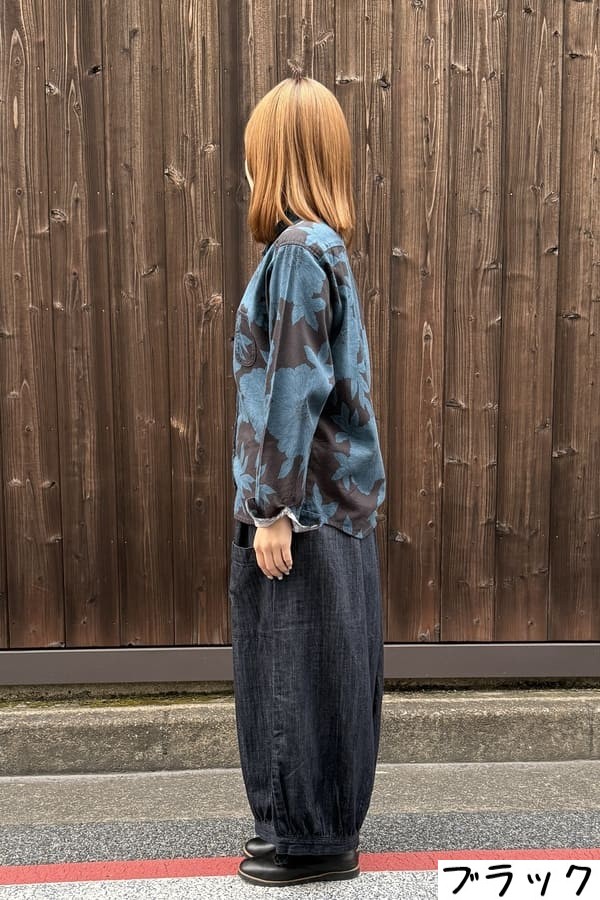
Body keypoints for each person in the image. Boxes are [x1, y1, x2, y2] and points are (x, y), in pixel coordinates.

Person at [229, 72, 386, 887]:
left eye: (255, 153)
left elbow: (294, 388)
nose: (247, 168)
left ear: (278, 157)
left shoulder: (295, 253)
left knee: (293, 670)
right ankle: (317, 830)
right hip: (334, 509)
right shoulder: (322, 248)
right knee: (330, 671)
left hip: (305, 512)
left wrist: (271, 509)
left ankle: (308, 840)